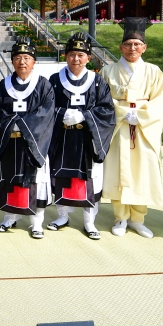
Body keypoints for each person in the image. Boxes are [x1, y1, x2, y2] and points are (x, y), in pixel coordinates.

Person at [46, 32, 116, 240]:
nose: (76, 59)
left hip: (88, 139)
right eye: (72, 54)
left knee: (89, 178)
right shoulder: (55, 80)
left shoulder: (97, 82)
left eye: (80, 55)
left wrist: (84, 116)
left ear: (88, 57)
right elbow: (47, 107)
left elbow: (106, 111)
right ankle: (62, 215)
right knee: (62, 175)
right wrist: (62, 114)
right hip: (63, 137)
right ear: (65, 56)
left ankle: (89, 220)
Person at [100, 18, 163, 238]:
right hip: (119, 128)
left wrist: (140, 115)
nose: (132, 48)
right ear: (120, 47)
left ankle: (138, 219)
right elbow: (102, 101)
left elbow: (158, 101)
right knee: (119, 172)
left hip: (143, 129)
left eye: (137, 45)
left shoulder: (154, 71)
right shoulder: (108, 71)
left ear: (144, 47)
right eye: (128, 44)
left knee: (141, 173)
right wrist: (122, 113)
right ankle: (120, 217)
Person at [0, 38, 56, 238]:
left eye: (27, 57)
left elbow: (46, 113)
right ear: (12, 61)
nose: (22, 62)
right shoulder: (4, 85)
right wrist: (11, 125)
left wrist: (24, 125)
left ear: (34, 61)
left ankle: (36, 223)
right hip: (10, 142)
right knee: (11, 180)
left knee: (36, 180)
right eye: (18, 57)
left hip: (34, 144)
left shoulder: (43, 85)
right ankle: (10, 217)